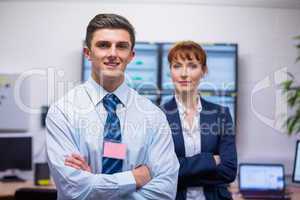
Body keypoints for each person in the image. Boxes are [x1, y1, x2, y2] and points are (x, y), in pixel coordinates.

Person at [46, 13, 179, 200]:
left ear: (131, 55)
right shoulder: (63, 112)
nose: (113, 54)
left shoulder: (153, 115)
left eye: (122, 47)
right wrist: (135, 178)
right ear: (87, 53)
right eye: (103, 45)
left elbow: (164, 192)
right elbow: (73, 189)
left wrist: (93, 182)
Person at [161, 41, 237, 200]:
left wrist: (180, 171)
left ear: (203, 71)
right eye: (177, 66)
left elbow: (229, 170)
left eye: (192, 66)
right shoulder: (158, 116)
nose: (183, 73)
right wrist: (210, 160)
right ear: (170, 71)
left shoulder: (221, 114)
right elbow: (160, 171)